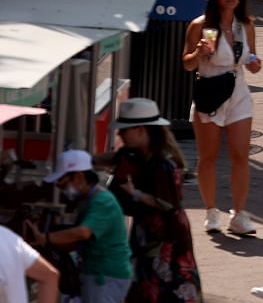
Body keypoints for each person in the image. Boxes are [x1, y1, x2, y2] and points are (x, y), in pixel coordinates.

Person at [182, 0, 261, 236]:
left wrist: (254, 63)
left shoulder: (245, 25)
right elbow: (187, 64)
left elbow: (251, 57)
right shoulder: (200, 26)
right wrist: (199, 52)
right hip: (210, 91)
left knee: (241, 155)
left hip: (237, 90)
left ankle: (239, 214)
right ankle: (211, 211)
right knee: (208, 157)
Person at [109, 98, 202, 303]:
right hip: (148, 230)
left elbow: (166, 203)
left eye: (125, 130)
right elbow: (112, 160)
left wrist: (134, 193)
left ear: (141, 130)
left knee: (164, 286)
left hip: (165, 235)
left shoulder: (164, 162)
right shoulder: (141, 154)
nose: (120, 134)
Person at [39, 151, 133, 303]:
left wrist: (46, 238)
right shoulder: (87, 202)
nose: (61, 189)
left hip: (105, 275)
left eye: (63, 184)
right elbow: (76, 243)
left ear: (79, 177)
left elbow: (83, 232)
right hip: (94, 272)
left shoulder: (102, 201)